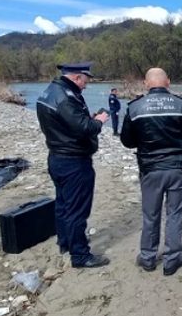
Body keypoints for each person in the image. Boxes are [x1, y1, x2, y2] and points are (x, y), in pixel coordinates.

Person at [120, 68, 182, 276]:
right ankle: (172, 260)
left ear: (146, 84)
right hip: (178, 168)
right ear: (168, 82)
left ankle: (147, 258)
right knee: (175, 215)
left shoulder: (135, 107)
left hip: (150, 169)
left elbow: (127, 142)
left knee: (151, 215)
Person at [36, 61, 110, 268]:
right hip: (74, 161)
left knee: (63, 205)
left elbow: (68, 123)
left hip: (57, 156)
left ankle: (65, 242)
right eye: (85, 81)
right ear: (77, 77)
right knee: (77, 210)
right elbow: (86, 128)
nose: (86, 86)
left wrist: (87, 119)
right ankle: (80, 255)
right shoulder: (65, 98)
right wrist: (100, 120)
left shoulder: (50, 91)